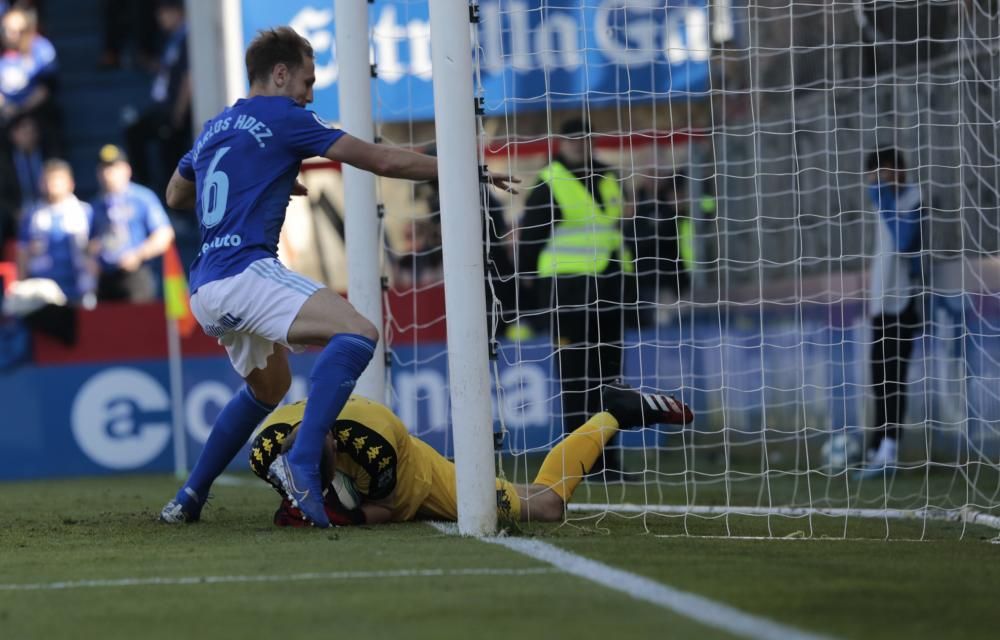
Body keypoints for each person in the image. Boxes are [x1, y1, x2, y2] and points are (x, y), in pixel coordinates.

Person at [160, 26, 516, 528]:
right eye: (306, 80)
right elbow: (381, 159)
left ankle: (189, 497)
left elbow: (176, 194)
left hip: (207, 289)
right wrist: (461, 169)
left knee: (269, 387)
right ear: (280, 74)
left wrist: (260, 176)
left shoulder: (215, 126)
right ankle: (302, 460)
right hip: (247, 272)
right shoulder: (287, 117)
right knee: (358, 331)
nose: (309, 93)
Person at [248, 386, 693, 527]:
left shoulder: (374, 440)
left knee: (547, 504)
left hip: (417, 479)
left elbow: (384, 508)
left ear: (334, 442)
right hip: (372, 483)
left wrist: (345, 515)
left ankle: (615, 413)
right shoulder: (266, 451)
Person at [516, 117, 635, 477]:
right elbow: (529, 241)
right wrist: (531, 291)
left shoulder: (610, 176)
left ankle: (609, 461)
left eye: (584, 138)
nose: (578, 145)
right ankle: (578, 463)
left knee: (610, 377)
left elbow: (617, 228)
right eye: (572, 139)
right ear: (561, 142)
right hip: (566, 292)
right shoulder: (549, 182)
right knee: (575, 379)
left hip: (609, 288)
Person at [859, 147, 926, 478]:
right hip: (880, 302)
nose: (883, 178)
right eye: (877, 173)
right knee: (877, 378)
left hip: (905, 302)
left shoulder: (915, 199)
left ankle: (890, 450)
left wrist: (882, 199)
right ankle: (875, 447)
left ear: (901, 171)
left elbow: (903, 242)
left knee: (894, 377)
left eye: (889, 171)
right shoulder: (879, 201)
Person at [88, 144, 175, 302]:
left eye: (113, 168)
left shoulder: (142, 198)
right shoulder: (96, 205)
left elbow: (165, 234)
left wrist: (137, 254)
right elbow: (91, 242)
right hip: (106, 278)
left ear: (127, 170)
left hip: (136, 275)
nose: (108, 174)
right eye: (103, 169)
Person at [124, 0, 190, 195]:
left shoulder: (187, 37)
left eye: (164, 13)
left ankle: (173, 201)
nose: (160, 19)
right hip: (163, 108)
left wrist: (178, 113)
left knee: (171, 155)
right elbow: (169, 70)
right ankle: (151, 190)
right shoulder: (173, 39)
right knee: (135, 132)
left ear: (177, 12)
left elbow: (189, 78)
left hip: (175, 111)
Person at [14, 159, 93, 306]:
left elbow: (95, 248)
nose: (52, 185)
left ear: (71, 183)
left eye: (57, 180)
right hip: (43, 288)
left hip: (79, 285)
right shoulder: (32, 215)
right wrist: (22, 282)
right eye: (48, 180)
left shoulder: (86, 212)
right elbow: (22, 251)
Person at [0, 6, 58, 140]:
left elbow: (47, 86)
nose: (12, 34)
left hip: (36, 111)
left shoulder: (41, 48)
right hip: (5, 113)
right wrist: (6, 107)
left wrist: (20, 109)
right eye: (6, 30)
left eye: (19, 31)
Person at [0, 114, 44, 248]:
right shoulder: (5, 161)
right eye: (24, 132)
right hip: (17, 213)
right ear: (13, 135)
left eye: (32, 132)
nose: (29, 136)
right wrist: (16, 212)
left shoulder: (48, 154)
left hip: (46, 209)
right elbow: (2, 195)